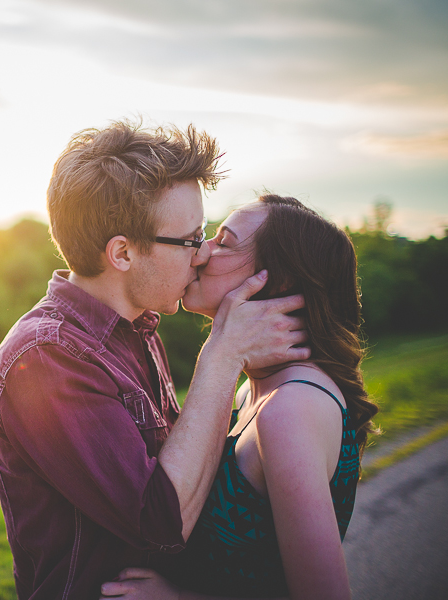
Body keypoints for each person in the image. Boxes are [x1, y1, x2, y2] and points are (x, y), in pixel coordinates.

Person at [0, 121, 310, 600]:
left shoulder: (136, 327)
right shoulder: (49, 357)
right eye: (190, 239)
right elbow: (162, 523)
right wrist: (222, 356)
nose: (202, 255)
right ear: (122, 253)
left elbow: (187, 467)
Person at [99, 195, 380, 600]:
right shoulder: (255, 388)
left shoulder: (289, 410)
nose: (200, 253)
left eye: (223, 242)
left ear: (276, 280)